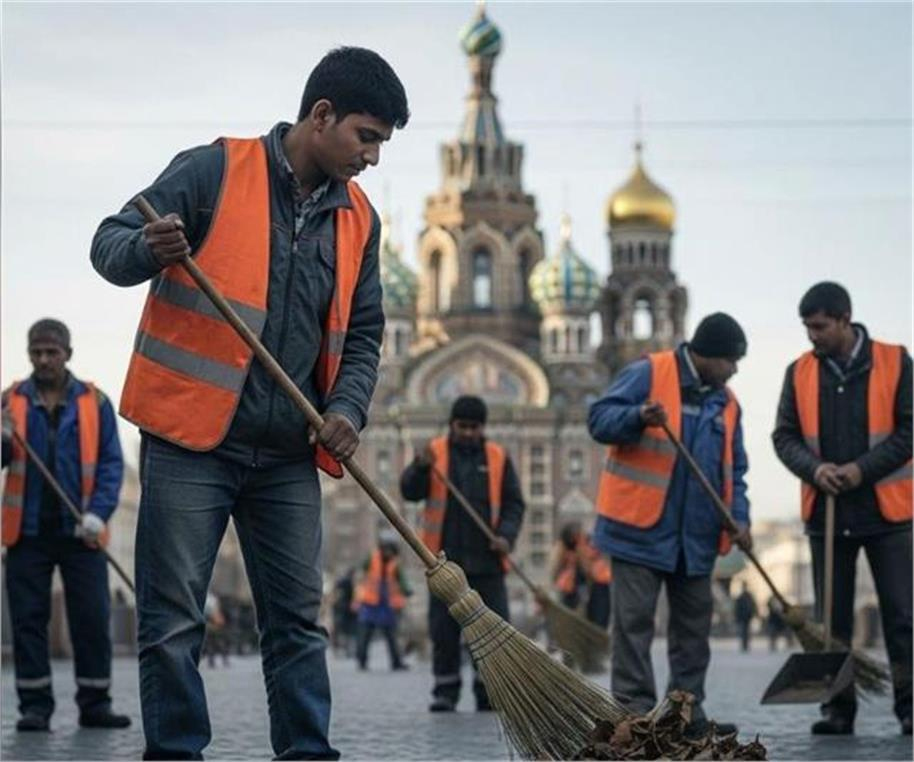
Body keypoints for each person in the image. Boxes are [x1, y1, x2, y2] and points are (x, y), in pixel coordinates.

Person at [90, 47, 409, 760]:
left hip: (289, 452)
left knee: (298, 621)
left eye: (382, 144)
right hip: (191, 441)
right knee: (173, 622)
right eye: (366, 138)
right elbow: (106, 246)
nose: (372, 159)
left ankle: (306, 753)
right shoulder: (214, 171)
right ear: (321, 116)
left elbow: (364, 334)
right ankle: (175, 753)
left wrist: (349, 411)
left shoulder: (359, 219)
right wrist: (147, 246)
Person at [588, 312, 752, 737]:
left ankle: (686, 715)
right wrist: (639, 415)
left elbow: (736, 472)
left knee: (693, 633)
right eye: (732, 360)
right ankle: (634, 716)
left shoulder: (727, 403)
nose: (734, 370)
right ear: (709, 354)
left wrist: (740, 519)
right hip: (637, 530)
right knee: (634, 627)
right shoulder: (648, 372)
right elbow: (599, 419)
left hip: (694, 538)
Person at [772, 281, 912, 736]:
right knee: (831, 623)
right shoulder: (799, 373)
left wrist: (860, 470)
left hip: (888, 514)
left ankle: (910, 709)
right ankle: (837, 710)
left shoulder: (895, 361)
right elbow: (784, 437)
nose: (812, 336)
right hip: (826, 516)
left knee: (902, 617)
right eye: (807, 327)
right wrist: (815, 470)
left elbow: (910, 431)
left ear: (844, 319)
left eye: (819, 326)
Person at [1, 319, 130, 732]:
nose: (43, 359)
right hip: (28, 531)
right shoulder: (9, 402)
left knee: (91, 619)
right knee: (28, 621)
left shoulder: (95, 401)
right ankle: (34, 707)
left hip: (83, 533)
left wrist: (99, 513)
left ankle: (95, 703)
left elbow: (111, 465)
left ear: (67, 354)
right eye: (36, 352)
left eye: (51, 352)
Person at [400, 395, 525, 713]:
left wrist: (506, 537)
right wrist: (418, 467)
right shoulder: (435, 454)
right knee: (444, 630)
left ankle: (489, 691)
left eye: (474, 427)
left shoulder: (497, 457)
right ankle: (446, 690)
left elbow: (514, 503)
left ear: (483, 427)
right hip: (444, 562)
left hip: (487, 561)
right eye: (462, 426)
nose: (468, 432)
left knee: (493, 630)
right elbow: (409, 491)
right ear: (452, 424)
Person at [353, 535, 412, 671]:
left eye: (391, 550)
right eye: (386, 549)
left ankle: (396, 662)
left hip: (387, 604)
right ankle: (361, 661)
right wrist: (357, 595)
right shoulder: (371, 558)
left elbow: (402, 580)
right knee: (365, 634)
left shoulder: (395, 564)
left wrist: (406, 590)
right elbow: (360, 574)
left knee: (391, 635)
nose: (388, 553)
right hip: (370, 602)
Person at [550, 522, 586, 610]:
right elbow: (555, 569)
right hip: (564, 586)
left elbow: (584, 569)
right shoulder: (561, 549)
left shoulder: (579, 548)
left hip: (578, 584)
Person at [582, 535, 612, 629]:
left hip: (602, 588)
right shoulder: (587, 563)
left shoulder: (602, 563)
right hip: (595, 590)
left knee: (600, 621)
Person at [733, 582, 757, 652]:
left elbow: (753, 606)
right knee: (744, 632)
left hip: (747, 617)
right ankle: (744, 645)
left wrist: (753, 614)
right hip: (743, 617)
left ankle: (746, 645)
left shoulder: (748, 596)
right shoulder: (741, 597)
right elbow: (737, 608)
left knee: (746, 632)